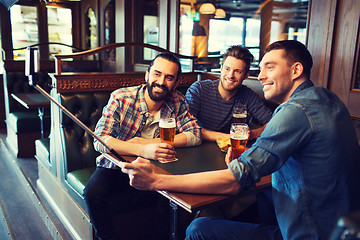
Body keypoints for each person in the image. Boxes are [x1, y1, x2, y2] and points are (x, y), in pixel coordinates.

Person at [121, 40, 360, 240]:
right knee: (261, 196)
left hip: (312, 232)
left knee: (198, 229)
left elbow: (234, 181)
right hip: (341, 227)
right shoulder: (329, 99)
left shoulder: (295, 110)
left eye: (270, 67)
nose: (261, 75)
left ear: (296, 70)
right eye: (260, 68)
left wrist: (156, 181)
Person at [83, 52, 202, 240]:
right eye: (157, 74)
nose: (161, 81)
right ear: (147, 75)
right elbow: (100, 140)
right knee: (92, 192)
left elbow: (195, 134)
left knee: (170, 196)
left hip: (158, 168)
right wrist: (141, 149)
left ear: (176, 82)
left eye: (169, 77)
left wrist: (152, 143)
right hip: (118, 166)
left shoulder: (177, 100)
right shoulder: (121, 97)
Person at [185, 45, 273, 141]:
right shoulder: (198, 90)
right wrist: (228, 137)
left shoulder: (248, 95)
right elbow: (187, 127)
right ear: (221, 68)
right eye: (227, 69)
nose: (231, 75)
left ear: (246, 75)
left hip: (232, 150)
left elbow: (273, 123)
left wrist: (252, 134)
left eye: (237, 71)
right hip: (200, 146)